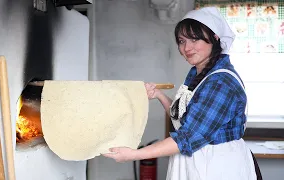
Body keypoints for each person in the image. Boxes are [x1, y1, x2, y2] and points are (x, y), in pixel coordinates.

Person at [103, 7, 262, 180]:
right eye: (181, 41)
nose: (187, 47)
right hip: (196, 160)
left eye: (194, 39)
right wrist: (158, 95)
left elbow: (187, 137)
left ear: (215, 38)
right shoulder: (199, 73)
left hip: (217, 165)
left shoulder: (220, 83)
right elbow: (186, 117)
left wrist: (133, 155)